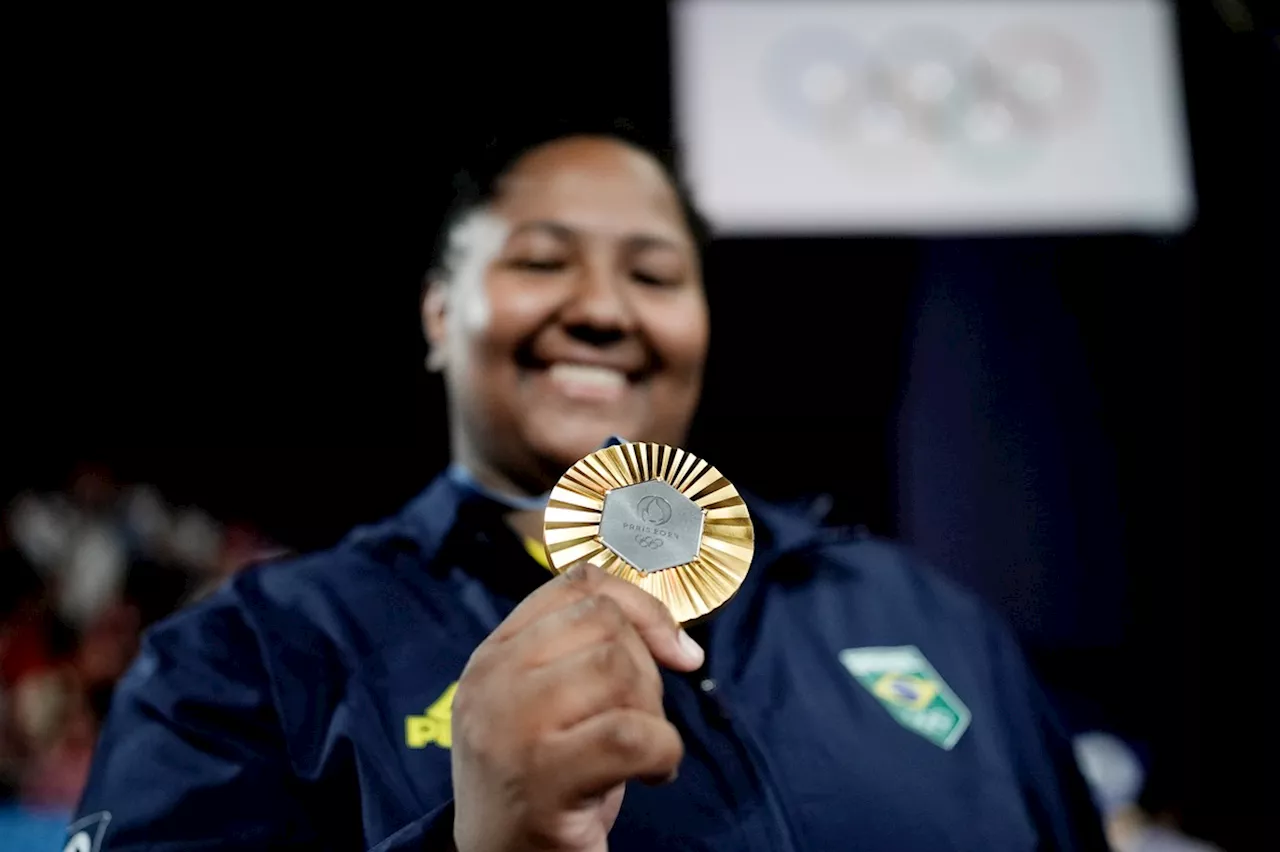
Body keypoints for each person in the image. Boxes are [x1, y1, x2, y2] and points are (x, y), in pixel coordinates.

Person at [69, 119, 1108, 851]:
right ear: (439, 313)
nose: (603, 310)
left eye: (654, 275)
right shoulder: (248, 657)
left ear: (703, 326)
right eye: (540, 261)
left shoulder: (922, 615)